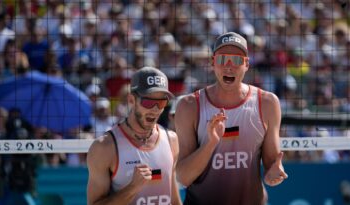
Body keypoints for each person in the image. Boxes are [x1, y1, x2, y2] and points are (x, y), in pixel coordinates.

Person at [175, 32, 288, 205]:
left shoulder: (267, 103)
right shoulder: (189, 106)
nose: (229, 66)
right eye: (222, 59)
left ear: (246, 64)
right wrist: (211, 144)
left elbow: (271, 164)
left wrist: (274, 172)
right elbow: (182, 177)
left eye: (236, 60)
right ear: (213, 62)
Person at [87, 67, 182, 205]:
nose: (155, 109)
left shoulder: (171, 140)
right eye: (148, 102)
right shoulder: (104, 147)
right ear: (131, 100)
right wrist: (133, 188)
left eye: (161, 102)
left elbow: (173, 200)